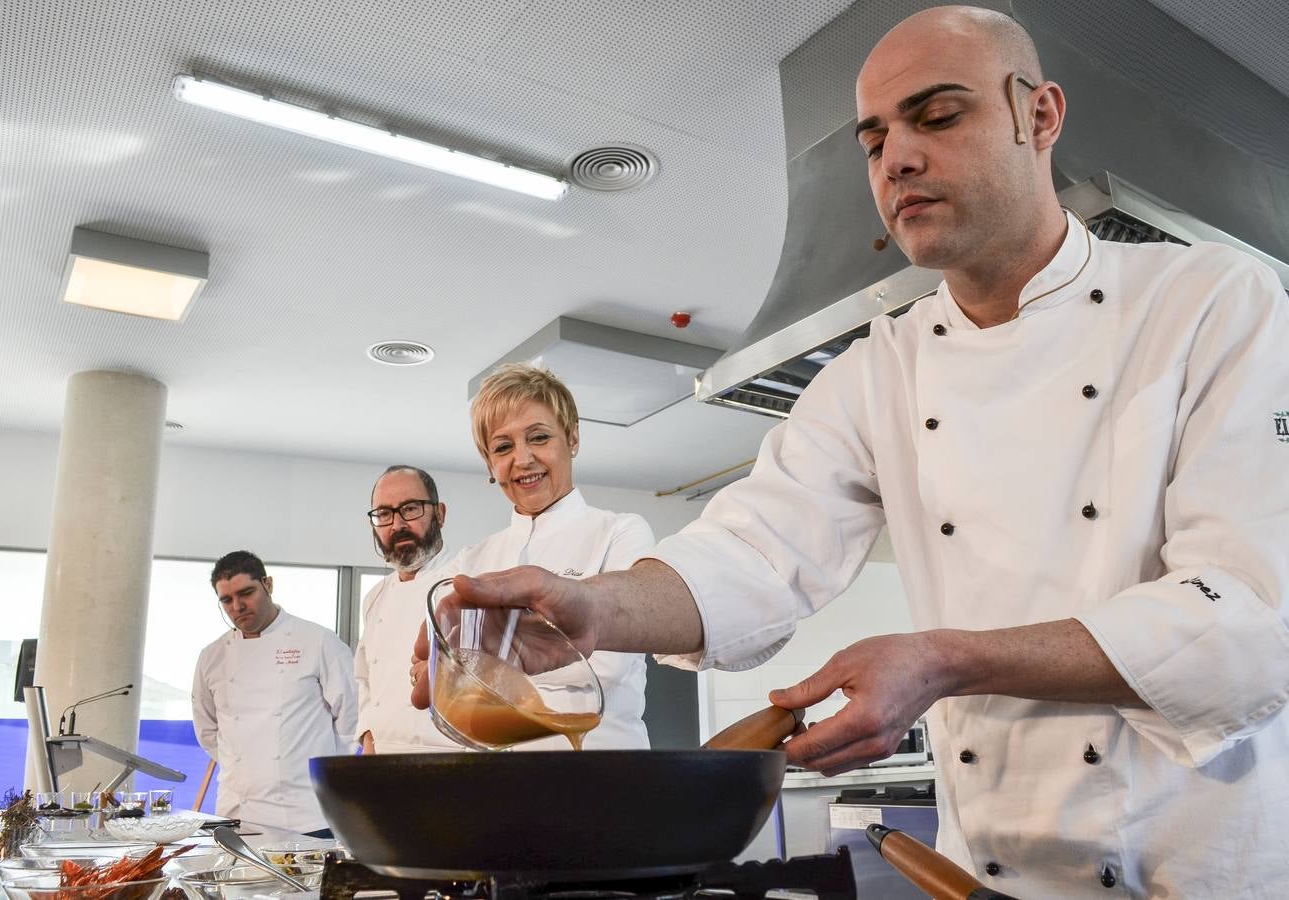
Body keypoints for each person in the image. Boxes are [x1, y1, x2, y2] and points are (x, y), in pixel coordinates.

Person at [412, 6, 1289, 895]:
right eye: (873, 141)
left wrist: (949, 658)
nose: (896, 159)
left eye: (938, 116)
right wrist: (589, 608)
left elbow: (1250, 621)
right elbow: (751, 555)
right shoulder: (882, 368)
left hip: (1201, 862)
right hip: (988, 869)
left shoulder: (1214, 301)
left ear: (1041, 116)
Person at [415, 363, 653, 749]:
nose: (523, 459)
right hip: (498, 786)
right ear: (489, 463)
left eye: (539, 438)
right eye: (503, 447)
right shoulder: (471, 563)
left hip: (605, 775)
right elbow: (450, 688)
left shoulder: (620, 532)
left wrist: (485, 676)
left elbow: (606, 669)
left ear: (572, 438)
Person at [192, 550, 357, 835]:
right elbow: (208, 731)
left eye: (247, 593)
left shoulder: (318, 641)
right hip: (236, 812)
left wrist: (313, 769)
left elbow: (351, 718)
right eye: (226, 600)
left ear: (268, 584)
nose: (238, 606)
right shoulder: (212, 656)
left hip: (307, 813)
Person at [355, 465, 460, 753]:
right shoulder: (375, 598)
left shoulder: (467, 580)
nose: (397, 524)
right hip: (385, 764)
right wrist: (367, 736)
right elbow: (366, 679)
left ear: (440, 513)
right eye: (384, 514)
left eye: (410, 509)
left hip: (452, 763)